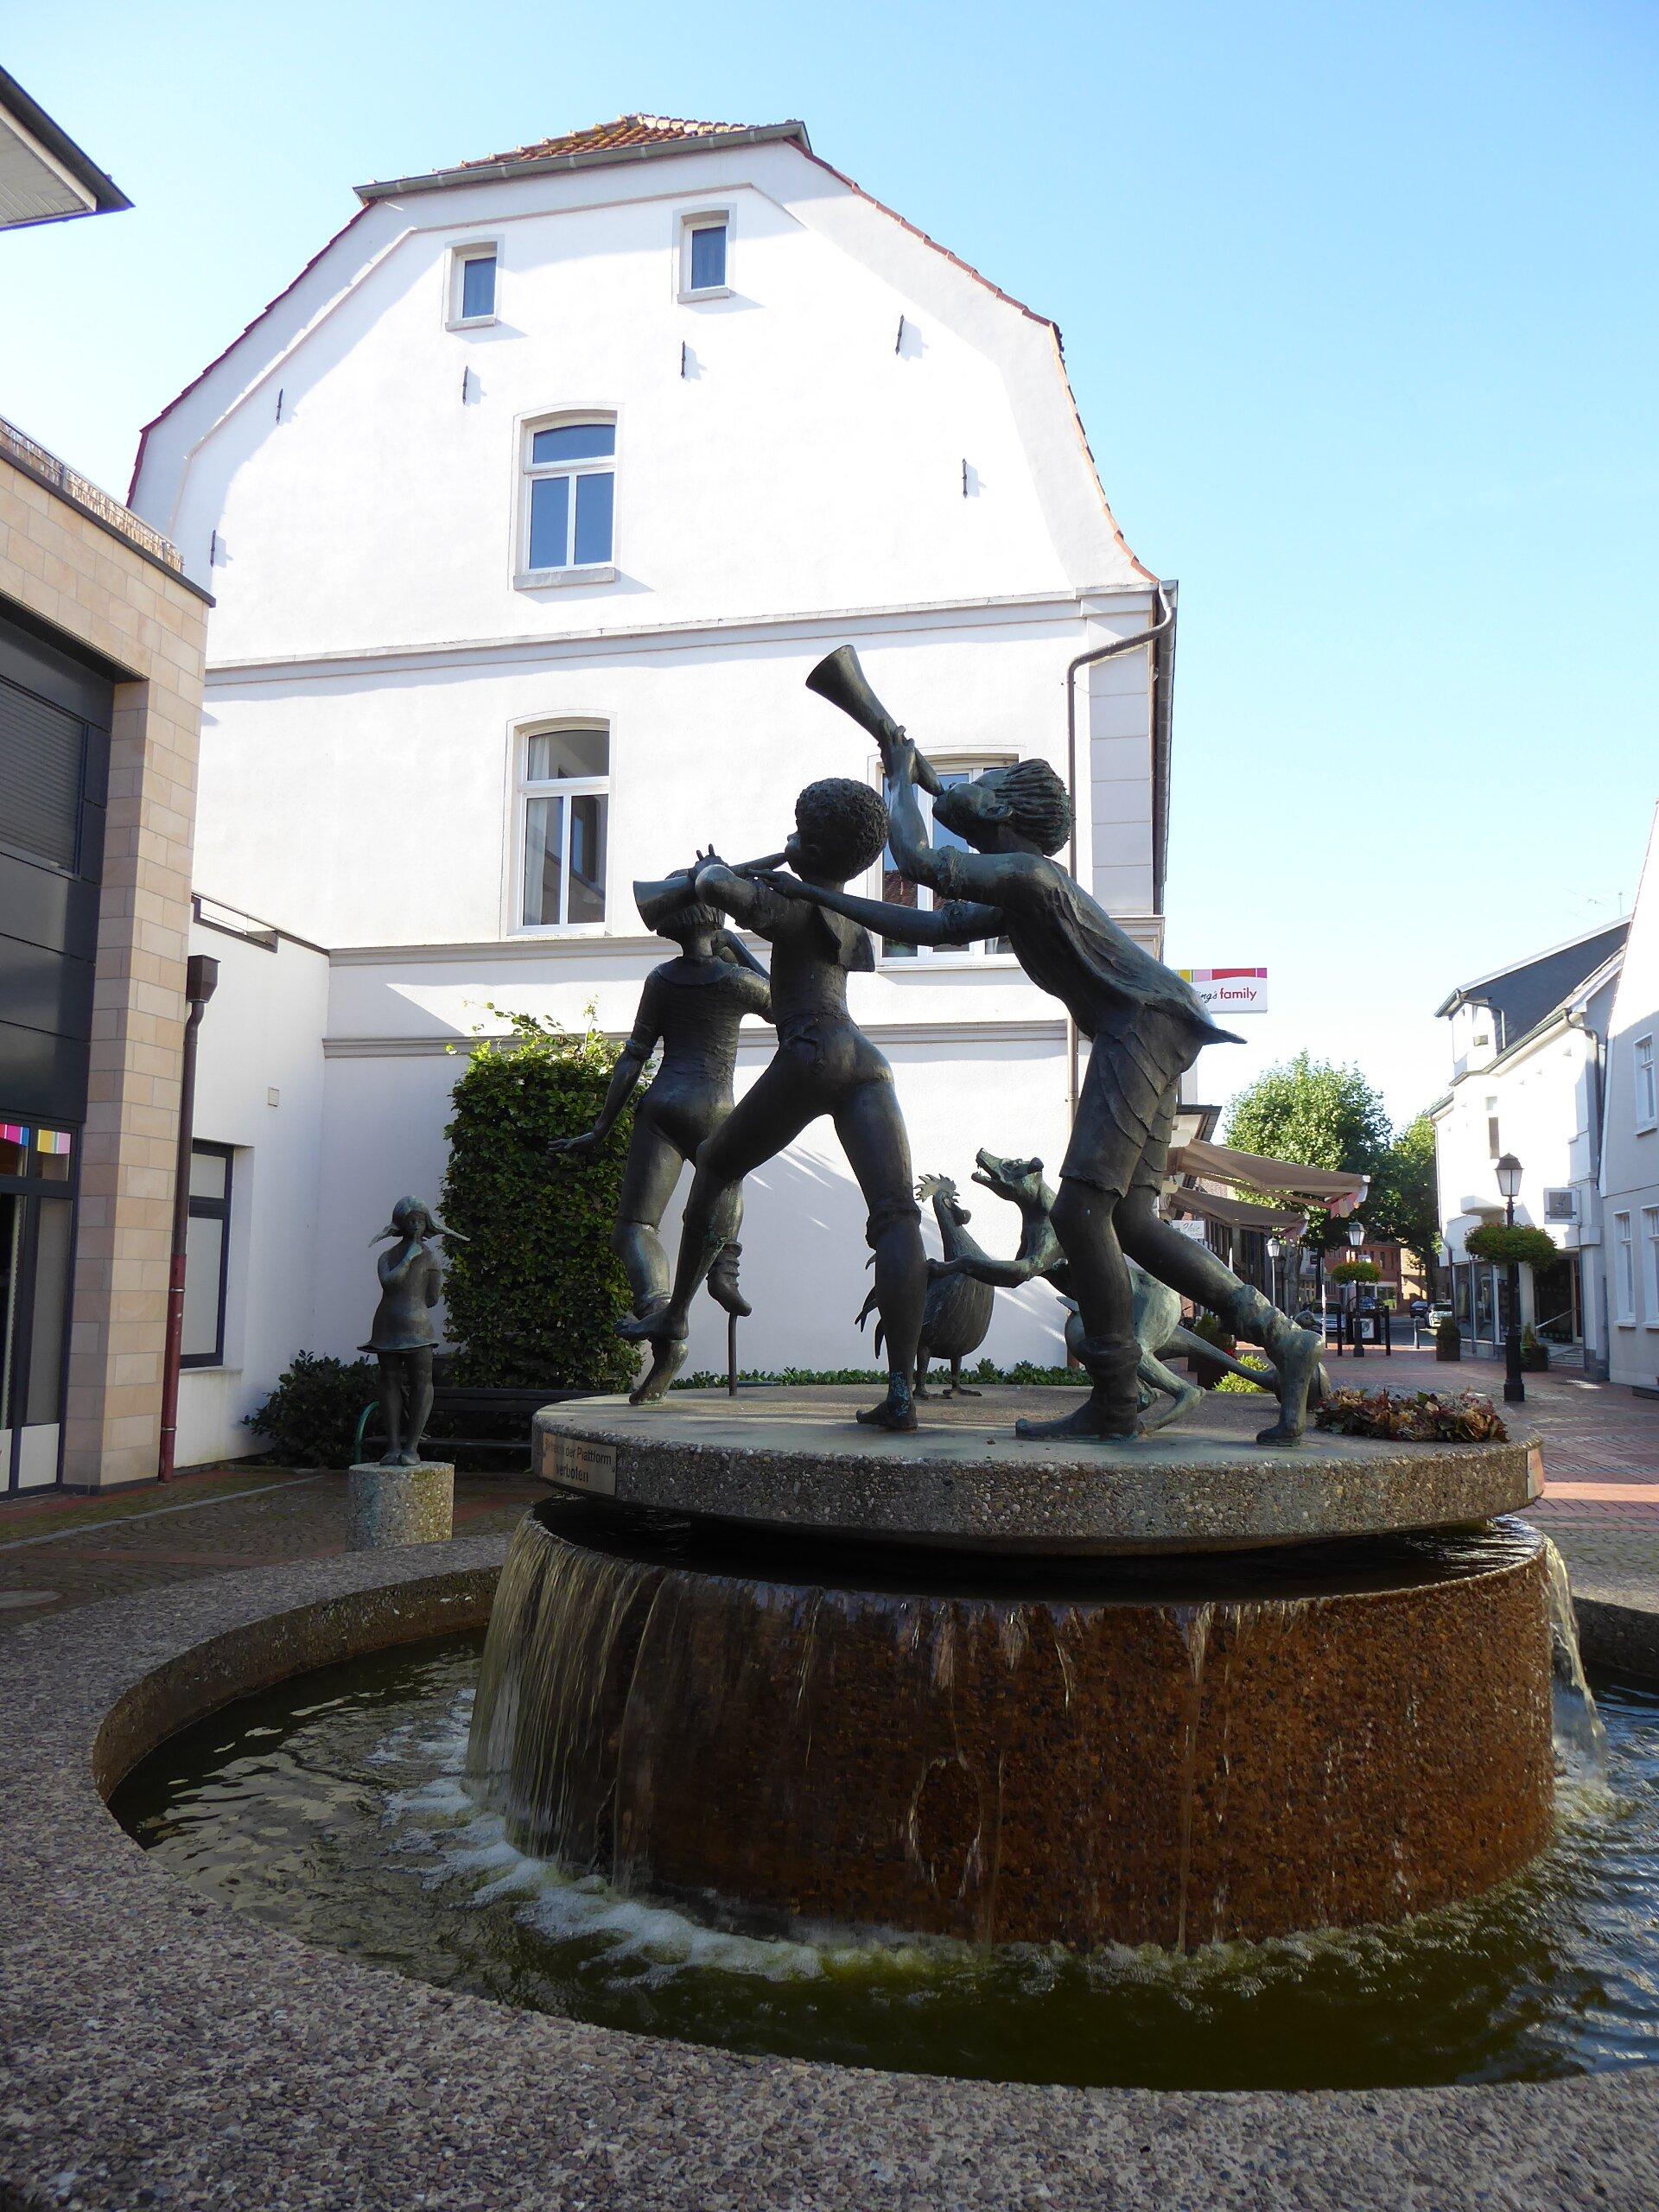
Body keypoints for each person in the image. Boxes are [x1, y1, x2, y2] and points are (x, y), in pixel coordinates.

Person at [752, 734, 1324, 1446]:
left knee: (1083, 1215)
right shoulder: (1023, 891)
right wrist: (811, 893)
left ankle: (1116, 1397)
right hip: (1157, 1027)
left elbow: (918, 862)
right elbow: (928, 926)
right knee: (1135, 1225)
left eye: (982, 778)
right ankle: (1284, 1339)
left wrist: (900, 778)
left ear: (1000, 807)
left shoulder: (1028, 875)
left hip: (1136, 1030)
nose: (965, 787)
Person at [618, 778, 927, 1430]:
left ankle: (675, 1316)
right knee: (897, 1215)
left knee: (714, 1164)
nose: (785, 839)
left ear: (812, 844)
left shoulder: (793, 904)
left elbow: (719, 893)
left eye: (795, 829)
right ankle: (902, 1391)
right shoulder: (840, 908)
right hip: (865, 1063)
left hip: (812, 1053)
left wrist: (711, 871)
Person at [549, 880, 772, 1403]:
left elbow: (633, 1055)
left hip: (664, 1108)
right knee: (724, 1186)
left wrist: (600, 1129)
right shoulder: (737, 981)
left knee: (635, 1227)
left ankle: (662, 1316)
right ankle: (724, 1267)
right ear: (715, 920)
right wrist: (737, 946)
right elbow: (788, 1006)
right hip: (717, 1111)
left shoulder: (663, 979)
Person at [361, 1195, 447, 1465]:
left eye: (421, 1221)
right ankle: (394, 1446)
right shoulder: (388, 1257)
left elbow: (433, 1296)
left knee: (422, 1381)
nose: (417, 1226)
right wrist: (410, 1257)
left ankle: (411, 1447)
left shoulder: (431, 1258)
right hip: (388, 1326)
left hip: (417, 1329)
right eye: (412, 1221)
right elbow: (390, 1282)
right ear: (400, 1223)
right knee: (389, 1380)